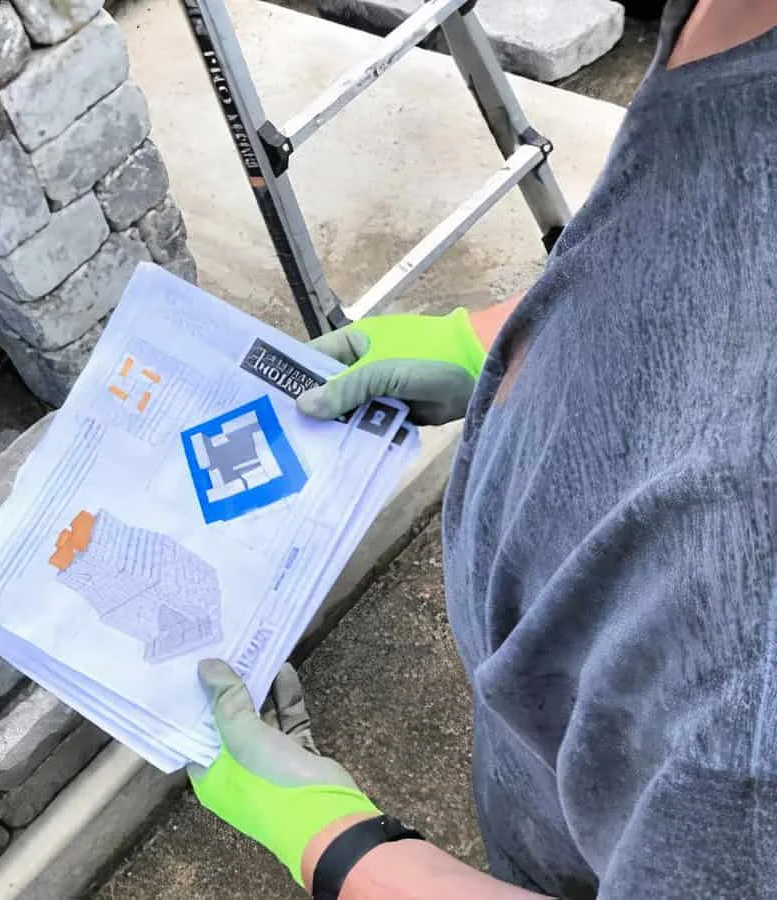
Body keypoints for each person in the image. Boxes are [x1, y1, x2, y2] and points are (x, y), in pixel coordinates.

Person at [187, 1, 777, 896]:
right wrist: (497, 343)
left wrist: (338, 846)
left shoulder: (755, 714)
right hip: (554, 771)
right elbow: (711, 244)